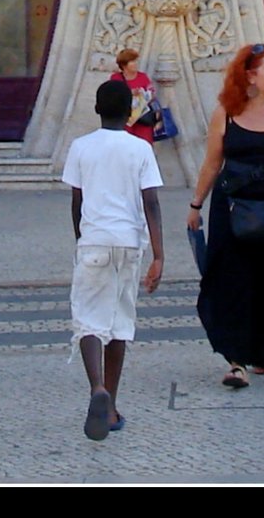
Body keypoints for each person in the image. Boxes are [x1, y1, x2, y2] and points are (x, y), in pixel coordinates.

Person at [188, 43, 264, 388]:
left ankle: (263, 350)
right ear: (250, 76)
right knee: (233, 282)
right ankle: (235, 361)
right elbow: (213, 162)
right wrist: (196, 204)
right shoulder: (225, 112)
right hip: (232, 207)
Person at [62, 79, 165, 440]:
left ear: (96, 109)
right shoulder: (140, 149)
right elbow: (151, 202)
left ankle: (96, 390)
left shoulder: (80, 147)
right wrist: (159, 255)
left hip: (94, 240)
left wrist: (81, 238)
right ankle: (112, 404)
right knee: (120, 323)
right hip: (128, 242)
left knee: (89, 320)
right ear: (130, 112)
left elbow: (77, 201)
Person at [111, 48, 158, 145]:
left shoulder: (143, 77)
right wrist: (129, 93)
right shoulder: (116, 78)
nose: (136, 63)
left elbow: (152, 94)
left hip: (142, 119)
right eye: (132, 61)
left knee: (144, 146)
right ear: (124, 65)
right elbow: (112, 96)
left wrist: (144, 94)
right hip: (125, 120)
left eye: (136, 60)